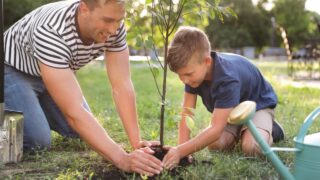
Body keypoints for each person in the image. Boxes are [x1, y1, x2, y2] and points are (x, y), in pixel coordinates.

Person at [4, 0, 163, 176]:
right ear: (84, 9)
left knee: (81, 133)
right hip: (13, 69)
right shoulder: (51, 30)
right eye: (108, 20)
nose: (113, 29)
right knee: (37, 141)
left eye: (118, 20)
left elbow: (122, 85)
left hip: (54, 72)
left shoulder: (115, 28)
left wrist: (136, 143)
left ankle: (33, 107)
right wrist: (122, 159)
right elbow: (74, 112)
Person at [162, 26, 284, 169]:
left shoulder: (227, 78)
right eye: (180, 75)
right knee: (215, 145)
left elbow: (215, 128)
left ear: (207, 62)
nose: (184, 80)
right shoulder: (192, 74)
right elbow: (187, 114)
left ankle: (271, 128)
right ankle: (241, 129)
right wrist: (182, 151)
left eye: (188, 74)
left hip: (257, 105)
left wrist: (179, 151)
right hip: (232, 111)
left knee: (252, 148)